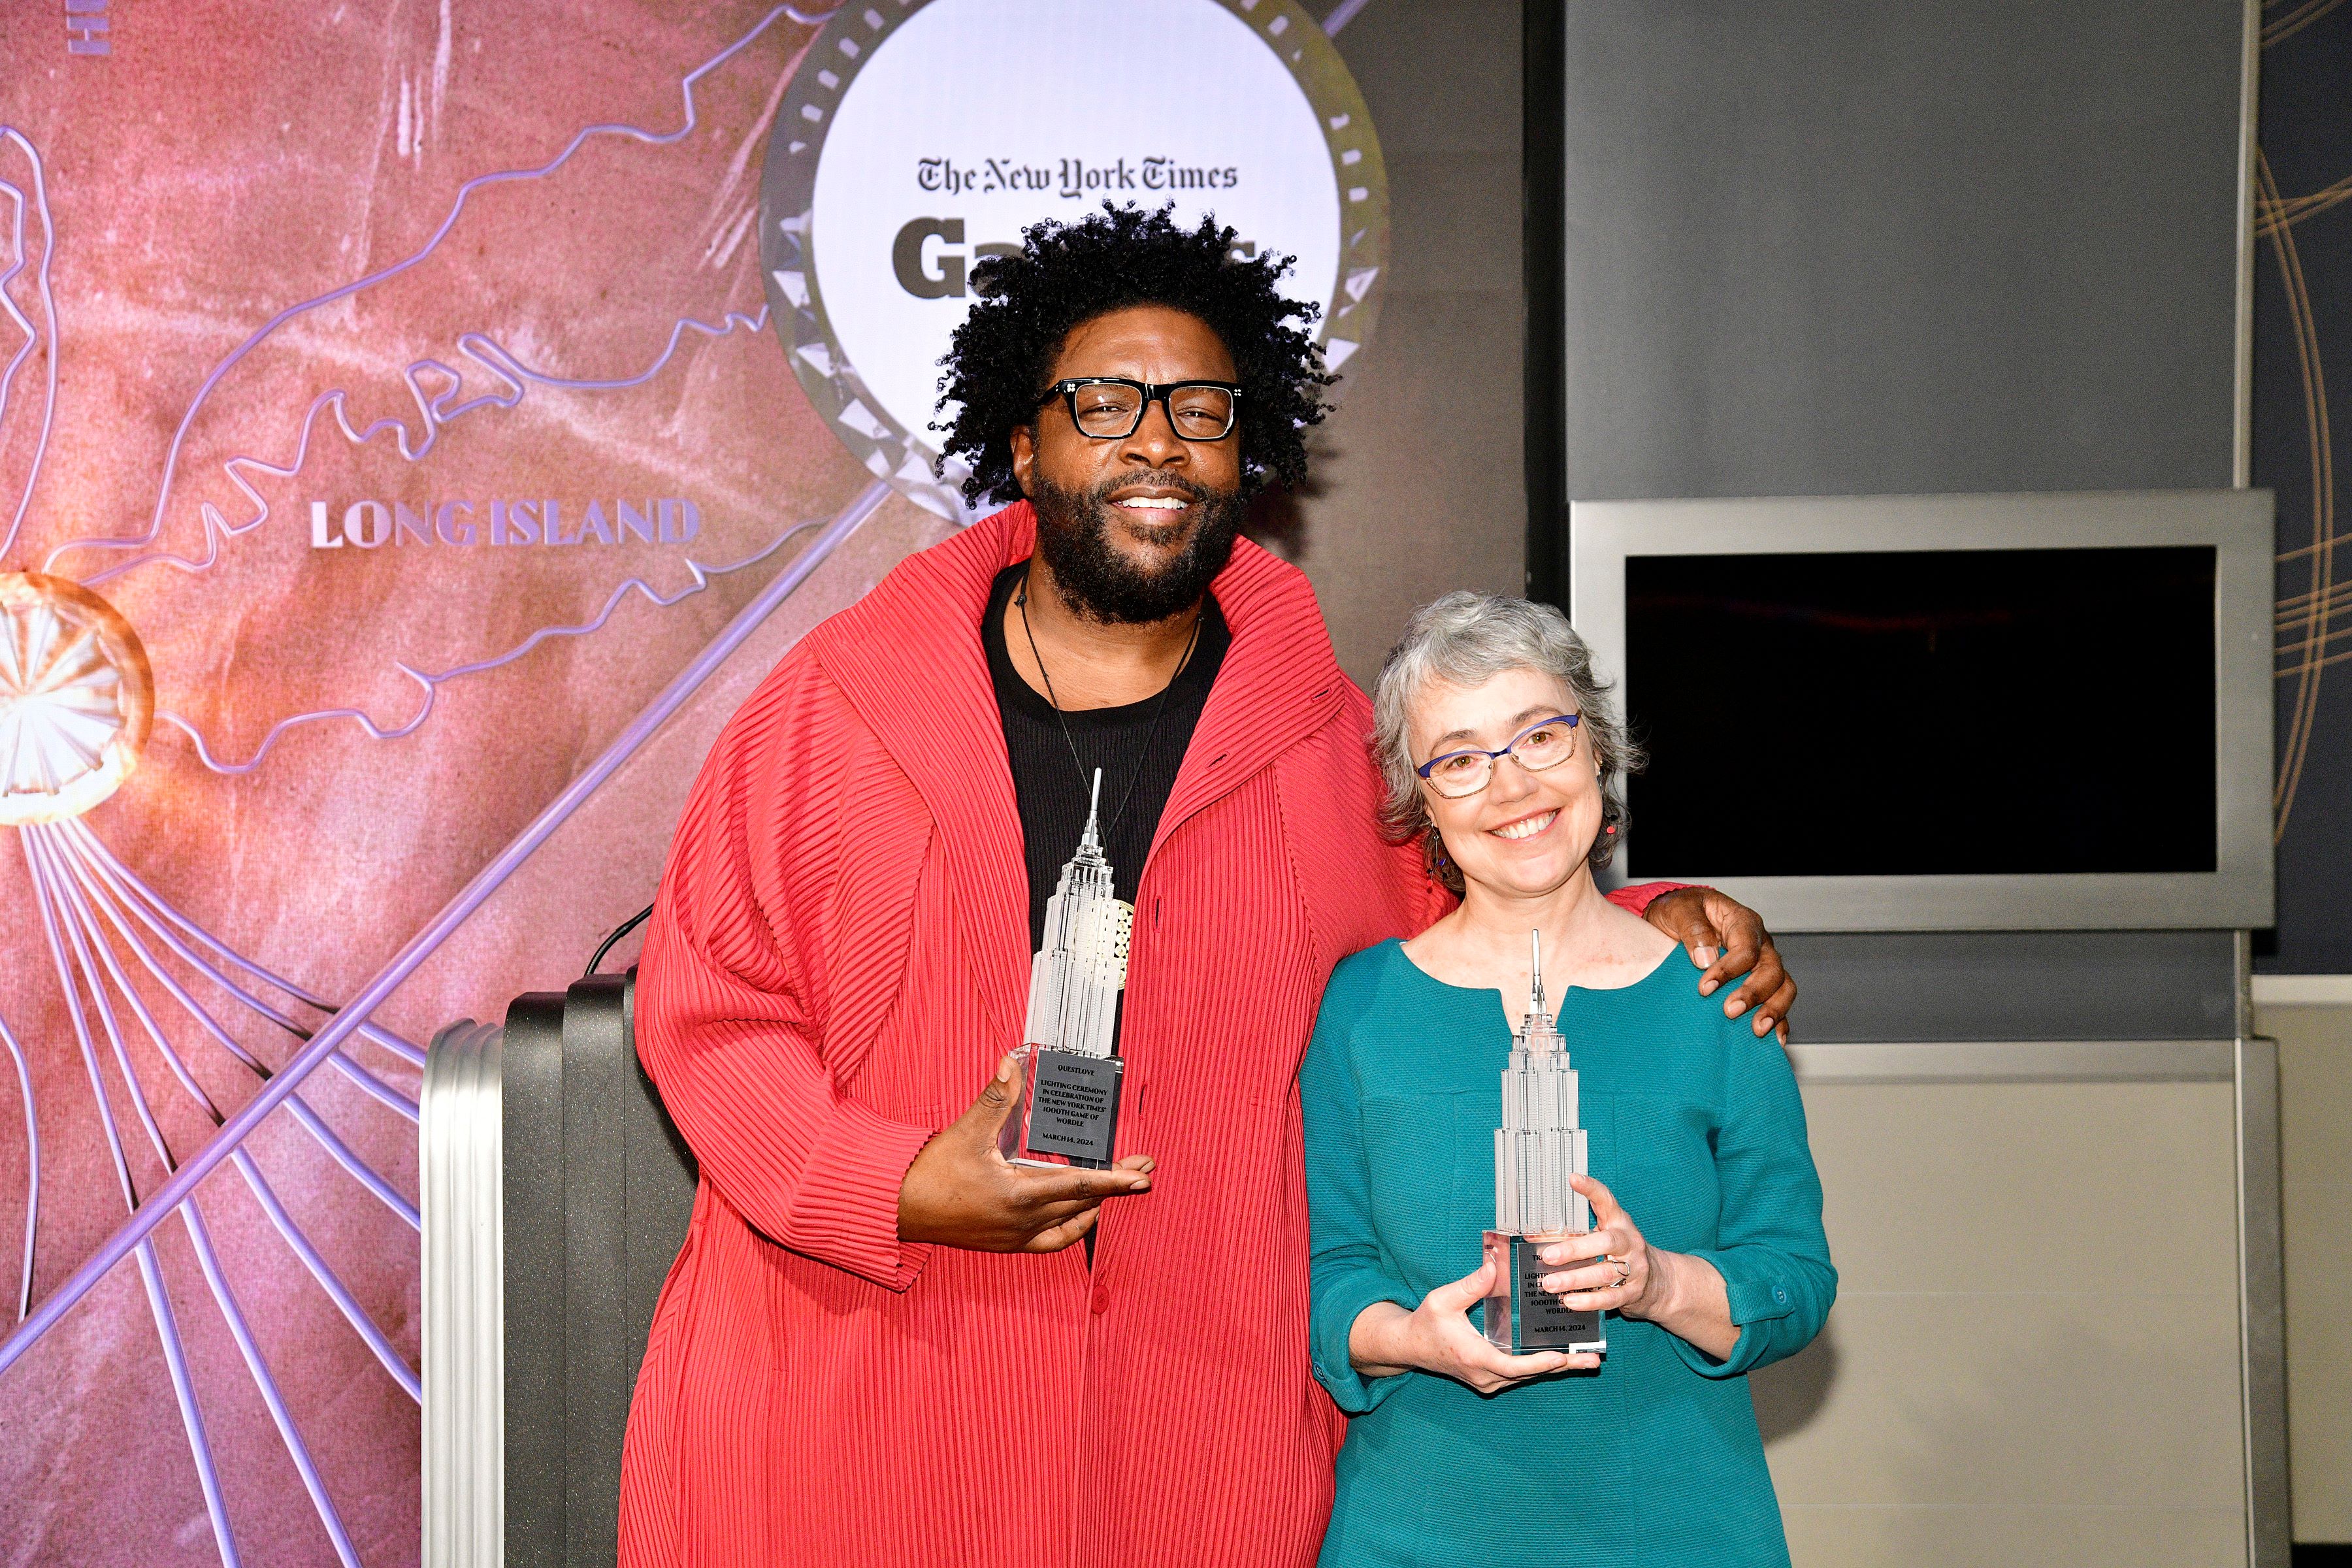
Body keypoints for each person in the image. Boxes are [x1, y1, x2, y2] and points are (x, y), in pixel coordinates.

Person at [619, 204, 1798, 1568]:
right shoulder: (836, 708)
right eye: (1104, 400)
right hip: (863, 1397)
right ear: (1023, 441)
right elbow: (707, 1011)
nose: (1156, 437)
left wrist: (1666, 921)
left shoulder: (1321, 740)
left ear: (1250, 448)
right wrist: (889, 1185)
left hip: (1191, 1431)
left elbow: (1474, 920)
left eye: (1199, 404)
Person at [1302, 591, 1835, 1567]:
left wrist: (1661, 1282)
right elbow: (1328, 1274)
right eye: (1460, 760)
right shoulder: (1358, 1007)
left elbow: (1795, 1280)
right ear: (1418, 803)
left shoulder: (1716, 995)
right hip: (1414, 1534)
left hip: (1680, 1531)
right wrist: (1416, 1339)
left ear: (1597, 747)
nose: (1511, 788)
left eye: (1540, 737)